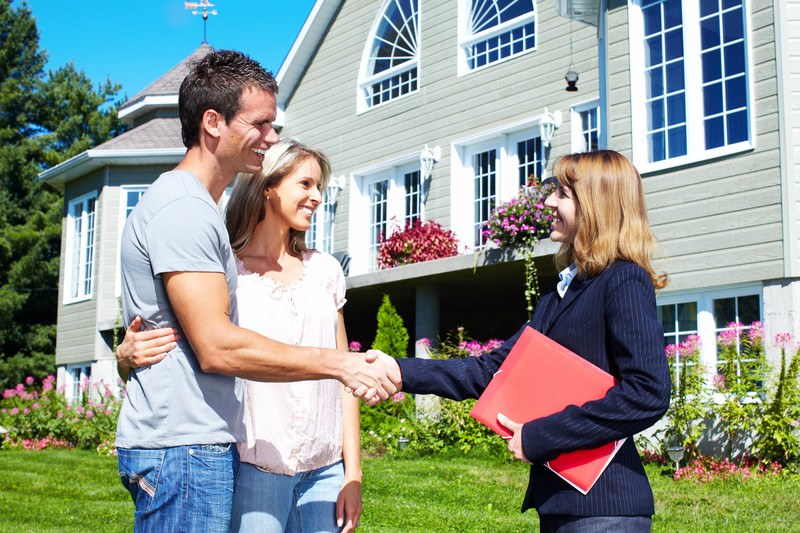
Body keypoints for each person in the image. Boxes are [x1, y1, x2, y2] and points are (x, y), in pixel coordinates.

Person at [115, 49, 398, 532]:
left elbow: (180, 329)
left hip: (199, 444)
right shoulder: (183, 209)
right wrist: (341, 363)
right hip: (183, 447)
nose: (273, 137)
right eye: (262, 123)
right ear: (213, 123)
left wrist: (127, 357)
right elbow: (217, 346)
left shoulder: (198, 210)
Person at [388, 150, 671, 532]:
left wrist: (542, 435)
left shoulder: (624, 281)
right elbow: (492, 370)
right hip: (562, 506)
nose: (550, 201)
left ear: (597, 206)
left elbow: (647, 393)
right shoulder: (559, 295)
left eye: (563, 193)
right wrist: (397, 370)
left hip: (605, 511)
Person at [225, 139, 362, 532]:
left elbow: (345, 376)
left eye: (319, 187)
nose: (316, 197)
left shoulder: (325, 271)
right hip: (255, 468)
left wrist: (352, 474)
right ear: (268, 185)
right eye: (305, 184)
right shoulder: (229, 273)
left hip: (326, 471)